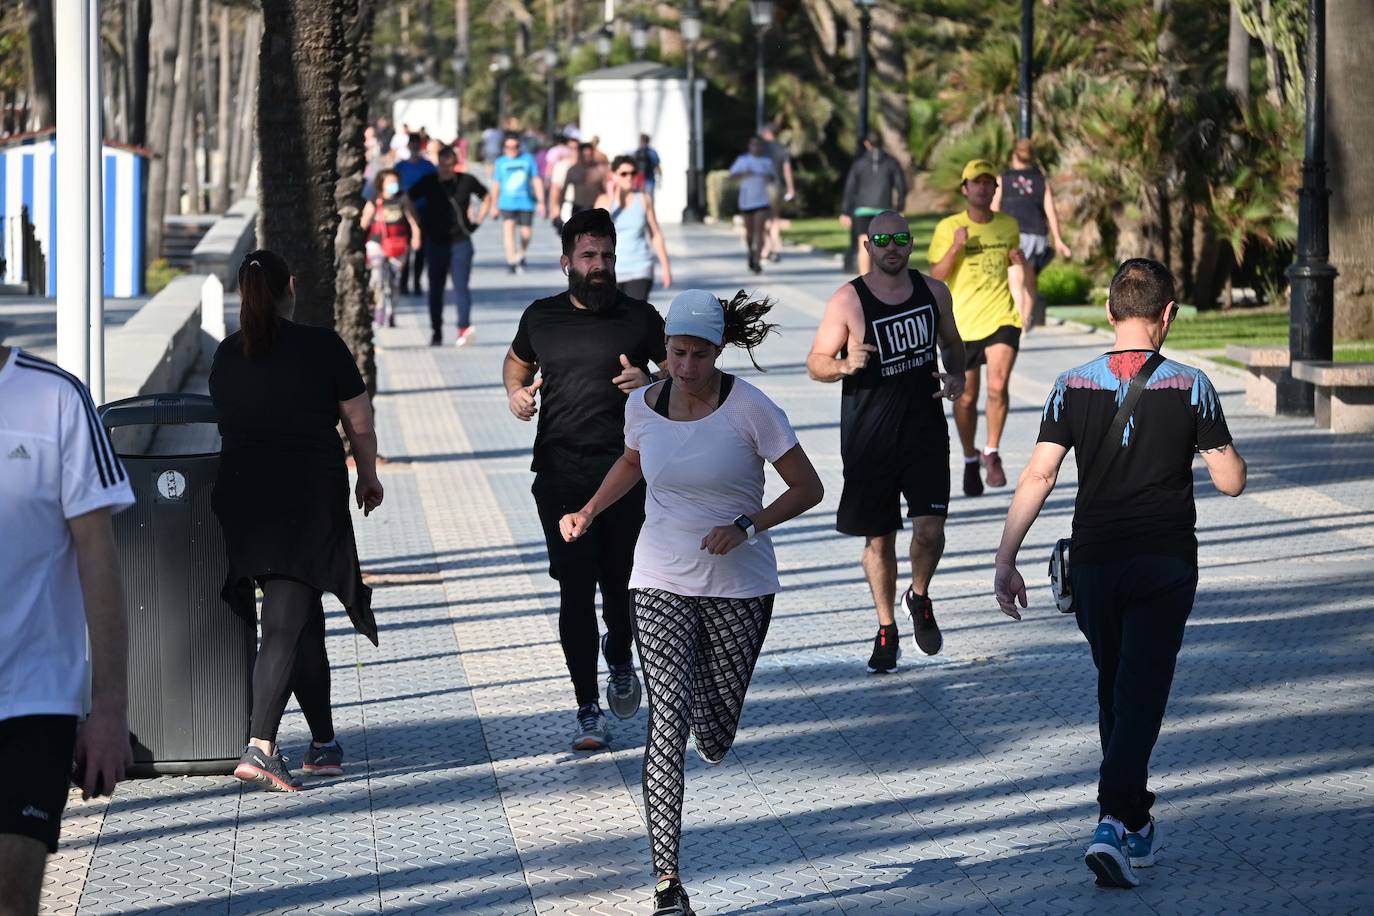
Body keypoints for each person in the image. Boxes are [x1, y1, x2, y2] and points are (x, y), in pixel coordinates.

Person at [559, 289, 824, 916]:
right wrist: (591, 511)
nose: (683, 367)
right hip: (658, 576)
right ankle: (667, 885)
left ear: (719, 350)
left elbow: (809, 487)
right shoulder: (641, 405)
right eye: (676, 353)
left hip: (740, 585)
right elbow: (631, 460)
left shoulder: (752, 410)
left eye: (698, 355)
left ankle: (714, 729)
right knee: (667, 721)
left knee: (714, 732)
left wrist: (747, 526)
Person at [992, 258, 1247, 889]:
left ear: (1109, 313)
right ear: (1168, 316)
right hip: (1163, 563)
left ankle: (1135, 822)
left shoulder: (1069, 384)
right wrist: (1211, 446)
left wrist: (1005, 558)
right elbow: (1232, 481)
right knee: (1140, 692)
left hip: (1095, 566)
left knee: (1117, 687)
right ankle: (1113, 819)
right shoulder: (1192, 385)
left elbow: (1039, 475)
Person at [210, 249, 385, 792]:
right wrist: (368, 475)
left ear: (243, 293)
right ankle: (260, 745)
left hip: (242, 499)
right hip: (305, 500)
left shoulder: (225, 355)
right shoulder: (321, 345)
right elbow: (360, 418)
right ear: (292, 285)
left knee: (302, 616)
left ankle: (324, 742)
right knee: (286, 622)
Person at [503, 209, 663, 751]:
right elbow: (515, 363)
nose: (600, 266)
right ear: (567, 261)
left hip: (630, 474)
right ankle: (586, 707)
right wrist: (517, 395)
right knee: (575, 589)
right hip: (560, 475)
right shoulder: (541, 317)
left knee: (622, 587)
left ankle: (620, 654)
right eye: (590, 257)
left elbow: (685, 379)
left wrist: (650, 381)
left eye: (608, 257)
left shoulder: (640, 318)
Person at [0, 346, 134, 916]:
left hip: (34, 698)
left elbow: (98, 559)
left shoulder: (56, 397)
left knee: (12, 884)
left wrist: (109, 708)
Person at [807, 210, 966, 673]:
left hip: (924, 433)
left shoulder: (933, 291)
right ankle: (886, 626)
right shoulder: (848, 301)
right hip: (868, 439)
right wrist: (842, 365)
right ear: (868, 245)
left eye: (899, 238)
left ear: (911, 244)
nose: (891, 247)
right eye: (882, 240)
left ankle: (918, 596)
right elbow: (815, 361)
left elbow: (953, 343)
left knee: (930, 531)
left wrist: (956, 377)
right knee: (879, 540)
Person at [927, 159, 1027, 498]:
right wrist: (956, 247)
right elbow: (936, 275)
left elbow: (1017, 270)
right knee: (966, 398)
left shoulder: (1009, 225)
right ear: (965, 189)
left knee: (998, 387)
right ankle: (970, 458)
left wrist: (1022, 270)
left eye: (989, 182)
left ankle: (992, 451)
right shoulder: (948, 227)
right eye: (976, 182)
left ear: (995, 189)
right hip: (961, 324)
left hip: (1002, 317)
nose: (983, 187)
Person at [410, 145, 493, 346]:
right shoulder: (429, 181)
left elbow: (487, 196)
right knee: (435, 288)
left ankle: (463, 328)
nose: (447, 169)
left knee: (461, 287)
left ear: (455, 163)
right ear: (438, 162)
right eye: (443, 164)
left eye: (450, 164)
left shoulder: (466, 180)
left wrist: (478, 221)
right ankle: (436, 330)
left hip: (461, 241)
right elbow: (407, 197)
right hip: (435, 241)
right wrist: (417, 225)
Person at [993, 137, 1073, 331]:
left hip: (1012, 234)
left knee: (1015, 278)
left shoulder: (1003, 179)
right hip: (1037, 236)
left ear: (1014, 156)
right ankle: (1026, 319)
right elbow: (1050, 212)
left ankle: (1019, 321)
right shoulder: (1041, 181)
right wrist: (1059, 240)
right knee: (1029, 281)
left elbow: (994, 207)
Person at [595, 155, 672, 301]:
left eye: (633, 173)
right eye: (624, 174)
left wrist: (665, 267)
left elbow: (655, 234)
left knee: (634, 316)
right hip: (611, 270)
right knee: (612, 319)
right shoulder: (603, 201)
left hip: (640, 267)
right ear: (614, 176)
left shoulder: (643, 199)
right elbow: (596, 229)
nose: (629, 177)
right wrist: (612, 198)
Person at [359, 168, 422, 327]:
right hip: (377, 243)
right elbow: (363, 223)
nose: (394, 185)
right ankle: (379, 310)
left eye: (396, 182)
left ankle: (391, 311)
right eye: (390, 182)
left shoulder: (403, 199)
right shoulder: (375, 200)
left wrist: (416, 236)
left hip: (398, 244)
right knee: (378, 277)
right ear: (382, 184)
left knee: (395, 281)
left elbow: (413, 221)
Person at [840, 133, 907, 276]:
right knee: (882, 245)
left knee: (863, 243)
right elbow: (901, 186)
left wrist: (846, 212)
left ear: (866, 143)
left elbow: (850, 188)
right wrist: (900, 207)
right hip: (883, 210)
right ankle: (880, 278)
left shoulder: (859, 163)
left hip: (862, 210)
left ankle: (864, 280)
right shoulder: (891, 162)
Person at [492, 134, 546, 274]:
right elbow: (496, 184)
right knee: (508, 230)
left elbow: (536, 179)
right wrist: (494, 205)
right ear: (504, 148)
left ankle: (521, 253)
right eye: (509, 147)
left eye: (515, 146)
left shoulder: (528, 159)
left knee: (526, 233)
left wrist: (541, 201)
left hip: (526, 202)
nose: (512, 149)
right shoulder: (500, 162)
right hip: (506, 203)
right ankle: (511, 260)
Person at [395, 134, 439, 295]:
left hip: (424, 210)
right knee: (404, 247)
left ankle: (417, 282)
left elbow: (436, 186)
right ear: (408, 146)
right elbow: (393, 186)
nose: (414, 148)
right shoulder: (400, 166)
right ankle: (403, 282)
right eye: (411, 145)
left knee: (420, 250)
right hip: (404, 211)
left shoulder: (428, 166)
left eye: (416, 145)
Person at [728, 137, 778, 274]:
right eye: (753, 145)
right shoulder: (743, 161)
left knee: (760, 231)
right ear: (749, 146)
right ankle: (751, 251)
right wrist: (742, 173)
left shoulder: (766, 162)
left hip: (762, 201)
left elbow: (773, 178)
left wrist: (769, 179)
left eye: (758, 145)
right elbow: (730, 177)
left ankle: (757, 261)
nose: (756, 147)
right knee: (750, 232)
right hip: (746, 201)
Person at [758, 124, 795, 263]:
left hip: (763, 186)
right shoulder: (782, 148)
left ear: (767, 133)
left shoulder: (762, 149)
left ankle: (765, 249)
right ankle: (775, 249)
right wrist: (791, 188)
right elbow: (787, 170)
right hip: (777, 186)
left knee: (762, 218)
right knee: (775, 219)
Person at [561, 142, 606, 225]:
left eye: (589, 154)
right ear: (580, 154)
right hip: (578, 209)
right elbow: (563, 191)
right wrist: (559, 212)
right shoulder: (573, 170)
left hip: (595, 209)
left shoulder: (599, 170)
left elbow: (605, 190)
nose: (587, 157)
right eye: (585, 154)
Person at [631, 133, 662, 198]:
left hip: (639, 179)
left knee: (638, 200)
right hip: (649, 179)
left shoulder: (636, 152)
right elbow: (657, 166)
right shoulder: (652, 152)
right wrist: (660, 179)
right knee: (649, 200)